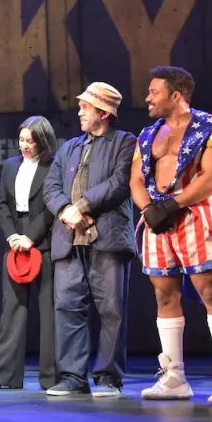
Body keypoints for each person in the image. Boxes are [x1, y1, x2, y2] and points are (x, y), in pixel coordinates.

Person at [130, 67, 212, 407]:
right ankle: (174, 377)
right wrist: (150, 209)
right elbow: (136, 179)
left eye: (154, 92)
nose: (147, 98)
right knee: (164, 295)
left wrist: (172, 205)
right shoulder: (148, 134)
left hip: (195, 215)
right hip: (156, 220)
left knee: (211, 291)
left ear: (175, 95)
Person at [43, 82, 136, 397]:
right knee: (67, 307)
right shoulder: (69, 147)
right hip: (69, 237)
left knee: (112, 310)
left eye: (85, 107)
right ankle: (72, 376)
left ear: (104, 112)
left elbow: (120, 182)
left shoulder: (125, 142)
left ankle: (108, 376)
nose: (79, 112)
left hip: (107, 236)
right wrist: (65, 210)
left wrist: (81, 206)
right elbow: (51, 186)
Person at [0, 116, 58, 391]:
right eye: (21, 140)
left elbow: (52, 207)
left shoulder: (53, 166)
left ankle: (51, 377)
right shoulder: (10, 166)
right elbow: (2, 205)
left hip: (44, 242)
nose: (24, 146)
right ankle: (4, 376)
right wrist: (12, 237)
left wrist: (31, 237)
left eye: (30, 141)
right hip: (15, 243)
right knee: (12, 310)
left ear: (43, 141)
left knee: (49, 312)